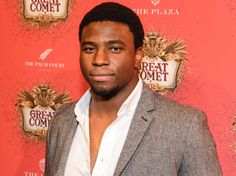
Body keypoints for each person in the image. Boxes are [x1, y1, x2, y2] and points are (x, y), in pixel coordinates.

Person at [45, 2, 222, 176]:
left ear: (138, 56)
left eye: (115, 49)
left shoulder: (185, 127)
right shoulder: (62, 120)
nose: (99, 59)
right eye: (90, 48)